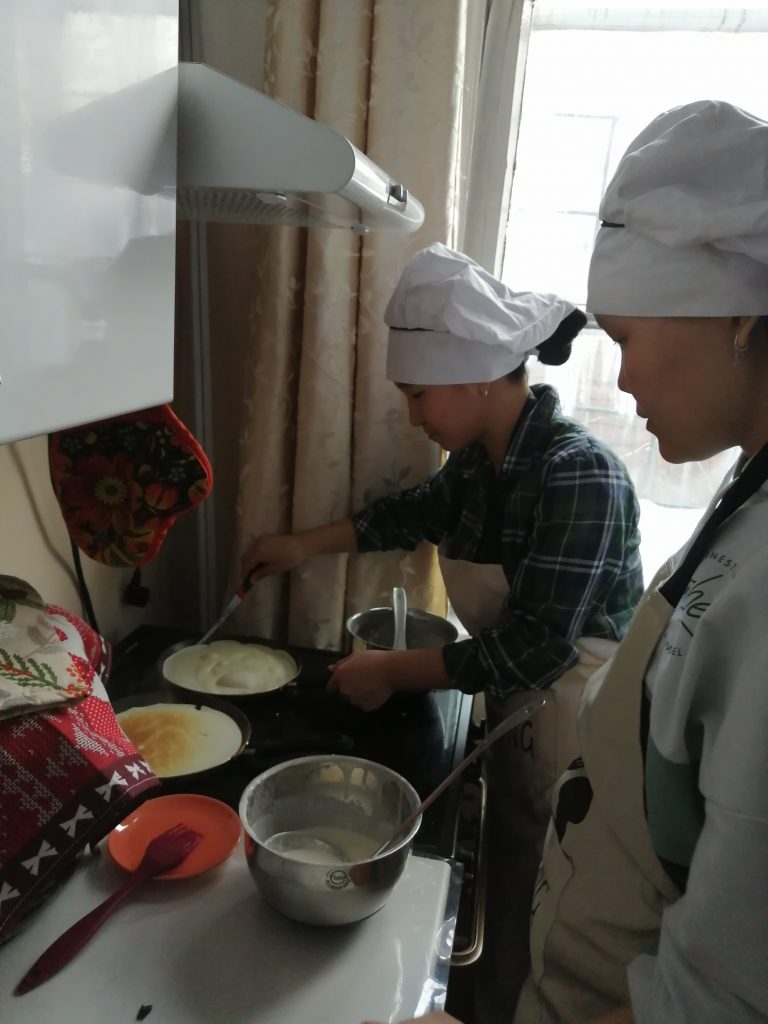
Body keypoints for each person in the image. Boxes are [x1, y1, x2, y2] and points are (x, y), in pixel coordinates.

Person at [370, 99, 768, 1024]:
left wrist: (392, 670)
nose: (619, 378)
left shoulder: (597, 483)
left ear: (740, 319)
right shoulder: (743, 502)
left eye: (625, 339)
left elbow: (721, 999)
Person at [243, 242, 644, 1019]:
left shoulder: (578, 475)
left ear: (479, 378)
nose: (412, 415)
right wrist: (298, 547)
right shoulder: (477, 466)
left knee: (555, 912)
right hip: (523, 714)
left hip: (582, 730)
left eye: (419, 394)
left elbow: (534, 645)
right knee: (512, 884)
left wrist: (392, 670)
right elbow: (408, 515)